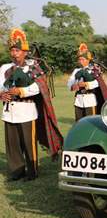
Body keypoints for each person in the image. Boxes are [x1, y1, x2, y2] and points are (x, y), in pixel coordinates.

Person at [0, 29, 62, 181]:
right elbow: (1, 86)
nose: (14, 54)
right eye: (12, 50)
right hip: (9, 112)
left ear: (25, 52)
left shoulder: (33, 67)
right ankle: (16, 171)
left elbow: (39, 88)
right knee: (12, 144)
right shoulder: (4, 68)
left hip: (27, 111)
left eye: (17, 50)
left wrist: (20, 91)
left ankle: (32, 172)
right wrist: (2, 93)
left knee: (28, 144)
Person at [67, 43, 107, 121]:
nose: (80, 61)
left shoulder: (94, 69)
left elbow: (98, 83)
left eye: (83, 59)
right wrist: (73, 85)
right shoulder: (76, 70)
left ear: (88, 60)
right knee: (79, 122)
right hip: (79, 100)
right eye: (79, 59)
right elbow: (69, 83)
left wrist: (86, 84)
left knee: (91, 122)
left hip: (90, 100)